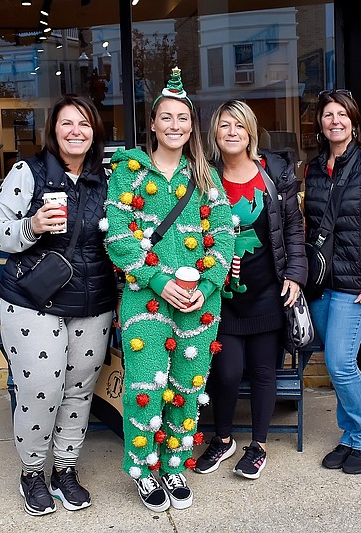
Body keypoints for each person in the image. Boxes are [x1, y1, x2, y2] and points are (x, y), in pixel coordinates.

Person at [104, 67, 234, 512]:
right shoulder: (129, 172)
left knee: (187, 386)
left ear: (191, 125)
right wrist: (160, 281)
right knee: (147, 385)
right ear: (154, 124)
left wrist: (210, 283)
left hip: (200, 303)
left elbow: (223, 231)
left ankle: (175, 463)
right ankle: (144, 469)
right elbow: (118, 237)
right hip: (146, 298)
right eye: (167, 117)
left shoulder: (205, 176)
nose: (175, 125)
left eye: (183, 117)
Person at [0, 95, 116, 516]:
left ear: (95, 131)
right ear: (53, 130)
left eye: (84, 123)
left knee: (79, 392)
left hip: (93, 302)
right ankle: (31, 475)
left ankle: (64, 471)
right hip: (32, 301)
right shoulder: (29, 171)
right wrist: (33, 225)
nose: (76, 131)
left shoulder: (106, 178)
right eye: (67, 123)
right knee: (41, 390)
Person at [193, 100, 307, 479]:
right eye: (224, 125)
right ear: (215, 133)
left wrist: (295, 273)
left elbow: (293, 228)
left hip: (268, 291)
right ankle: (223, 440)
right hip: (221, 297)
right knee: (226, 372)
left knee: (262, 371)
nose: (231, 132)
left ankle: (258, 445)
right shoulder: (203, 176)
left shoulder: (273, 172)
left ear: (250, 132)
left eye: (238, 126)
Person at [304, 89, 361, 475]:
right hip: (321, 281)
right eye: (328, 115)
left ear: (353, 121)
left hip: (355, 284)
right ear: (321, 124)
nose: (335, 121)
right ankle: (351, 433)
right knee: (336, 361)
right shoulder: (313, 167)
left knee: (341, 363)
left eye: (342, 114)